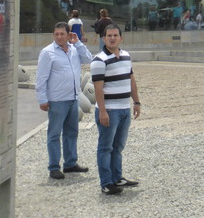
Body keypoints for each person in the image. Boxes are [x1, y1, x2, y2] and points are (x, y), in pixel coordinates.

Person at [36, 22, 94, 179]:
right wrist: (42, 99)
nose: (59, 37)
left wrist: (79, 42)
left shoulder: (74, 49)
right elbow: (41, 78)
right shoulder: (47, 52)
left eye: (62, 34)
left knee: (72, 132)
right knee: (54, 134)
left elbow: (89, 59)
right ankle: (54, 167)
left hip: (73, 99)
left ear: (69, 35)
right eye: (56, 34)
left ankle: (70, 163)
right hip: (57, 100)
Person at [91, 24, 141, 195]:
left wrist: (136, 102)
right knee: (105, 147)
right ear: (103, 38)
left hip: (124, 109)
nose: (112, 38)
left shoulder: (126, 56)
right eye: (109, 35)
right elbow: (98, 88)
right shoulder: (99, 60)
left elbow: (131, 80)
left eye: (115, 35)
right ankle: (106, 182)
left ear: (121, 38)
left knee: (118, 146)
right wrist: (103, 111)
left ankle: (117, 177)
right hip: (109, 111)